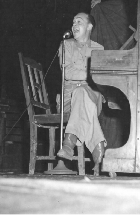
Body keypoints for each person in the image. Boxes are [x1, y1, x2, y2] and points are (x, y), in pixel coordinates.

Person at [57, 12, 107, 176]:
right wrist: (91, 74)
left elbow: (102, 78)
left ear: (89, 27)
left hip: (93, 97)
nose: (74, 25)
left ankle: (69, 143)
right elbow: (68, 73)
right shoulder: (66, 45)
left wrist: (89, 77)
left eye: (79, 21)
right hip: (68, 100)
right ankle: (97, 143)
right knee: (79, 93)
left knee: (83, 93)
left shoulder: (99, 49)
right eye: (73, 22)